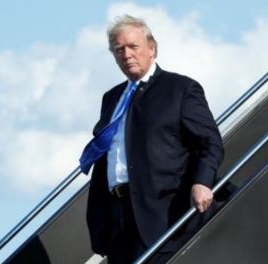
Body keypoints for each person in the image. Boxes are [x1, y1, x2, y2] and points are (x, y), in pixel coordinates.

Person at [84, 15, 224, 264]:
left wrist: (202, 181)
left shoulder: (180, 89)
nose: (126, 54)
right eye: (119, 50)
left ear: (152, 48)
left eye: (133, 46)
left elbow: (209, 142)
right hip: (118, 218)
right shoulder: (111, 98)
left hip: (162, 213)